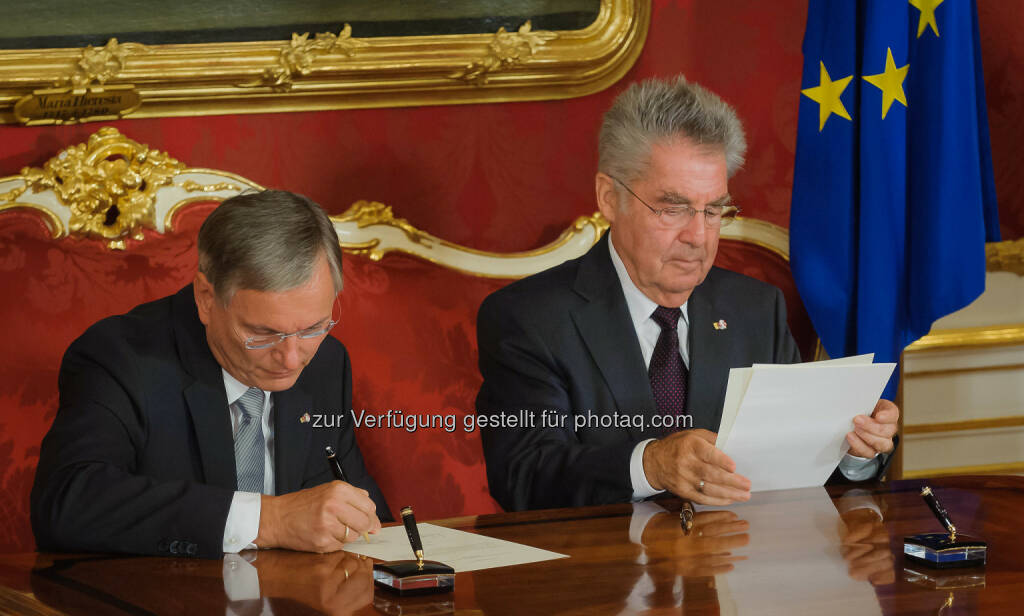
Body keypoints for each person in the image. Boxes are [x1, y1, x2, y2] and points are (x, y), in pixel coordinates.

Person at [475, 76, 899, 512]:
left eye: (713, 210)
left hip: (735, 567)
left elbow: (793, 469)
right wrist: (650, 464)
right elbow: (523, 474)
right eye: (672, 208)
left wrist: (853, 451)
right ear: (609, 197)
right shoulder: (530, 320)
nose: (698, 236)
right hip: (604, 571)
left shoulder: (755, 309)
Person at [31, 190, 391, 559]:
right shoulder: (123, 357)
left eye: (313, 327)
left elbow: (362, 514)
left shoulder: (327, 362)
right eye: (264, 333)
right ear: (206, 297)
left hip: (294, 609)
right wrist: (270, 520)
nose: (291, 357)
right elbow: (66, 503)